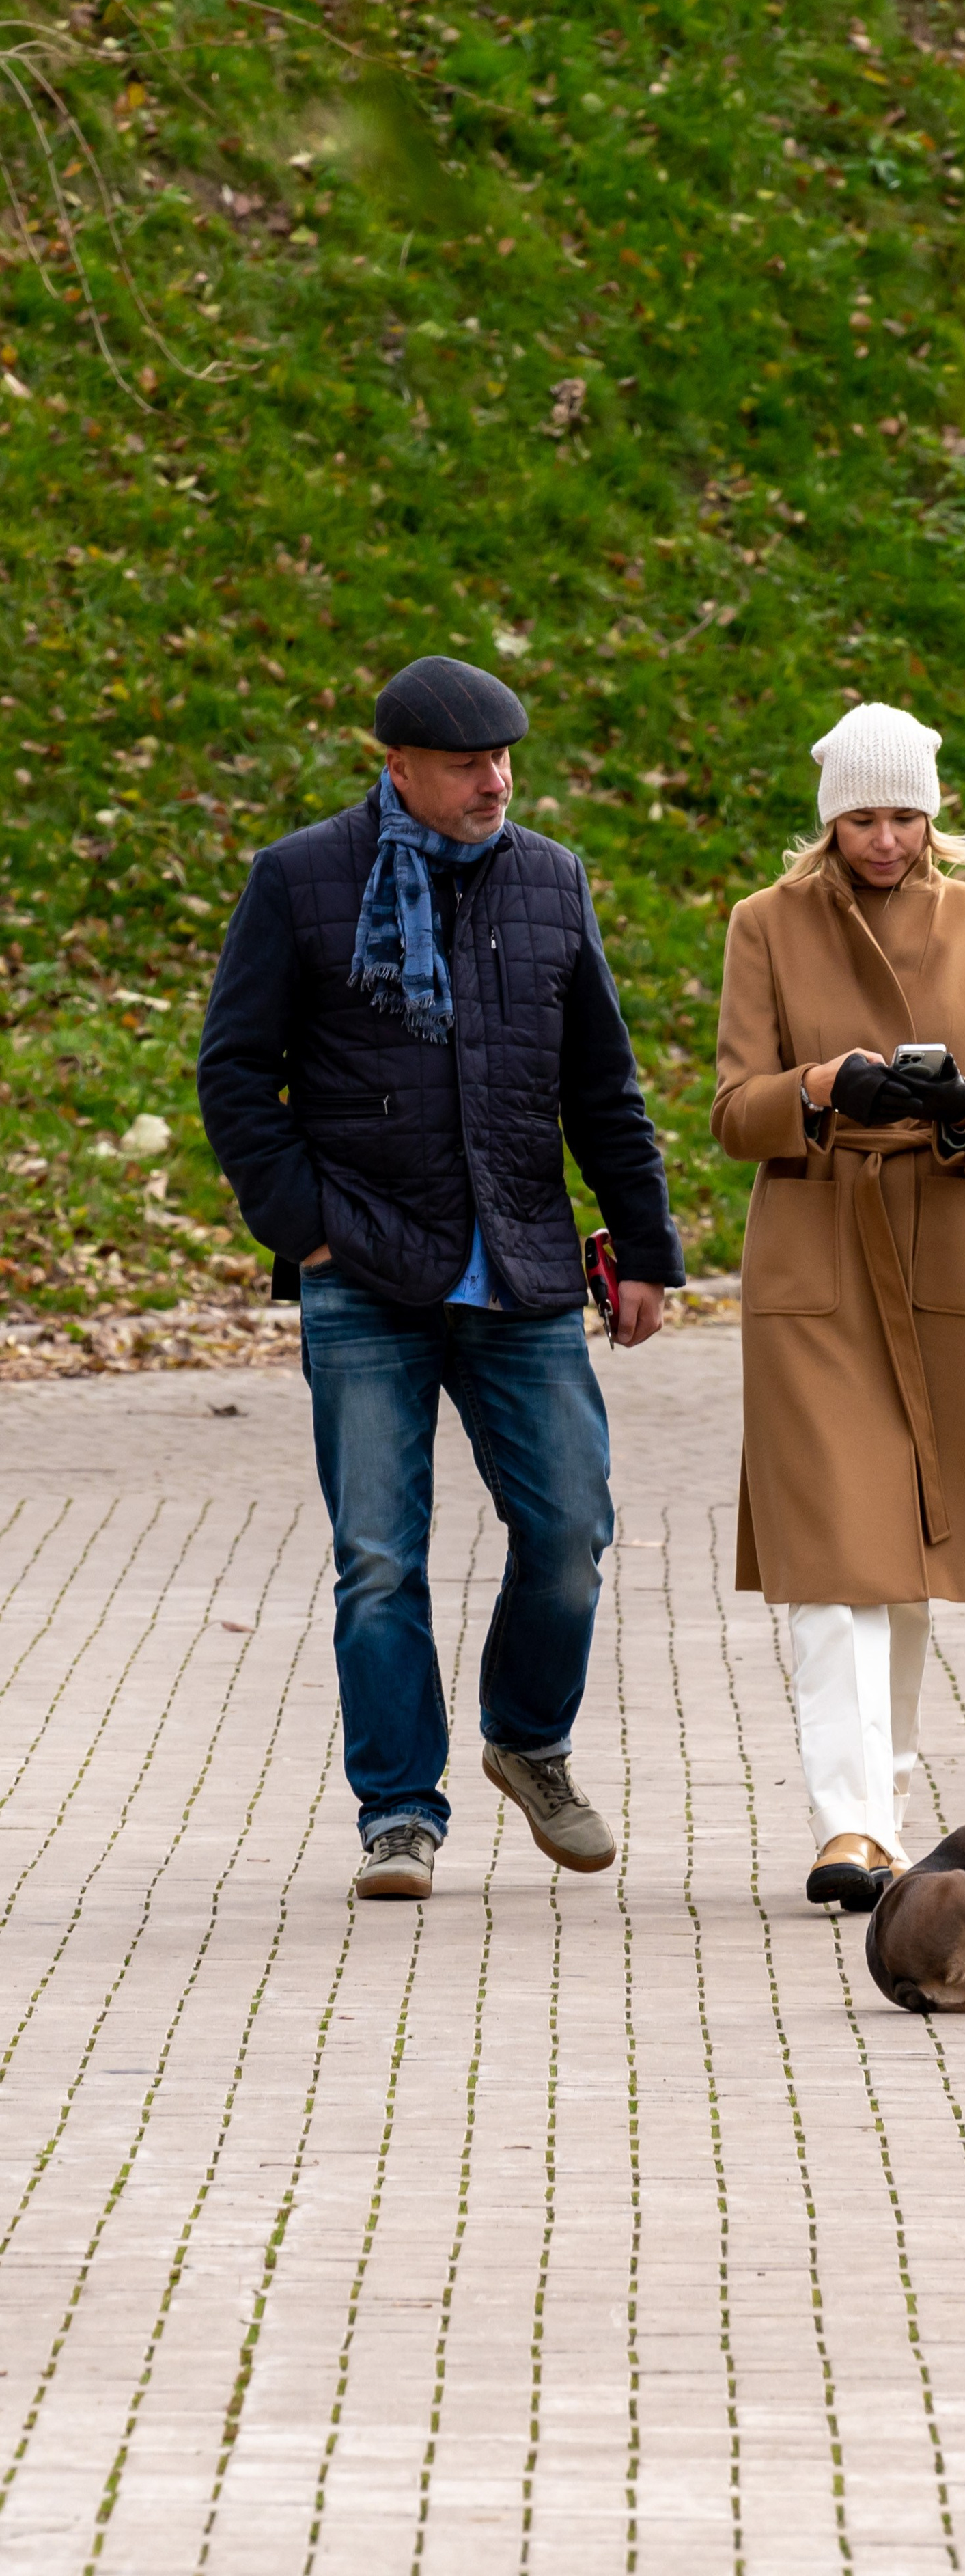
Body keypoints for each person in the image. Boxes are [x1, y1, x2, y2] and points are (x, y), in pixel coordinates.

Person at [198, 657, 683, 1902]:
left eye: (507, 758)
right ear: (399, 767)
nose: (496, 781)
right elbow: (236, 1074)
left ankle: (528, 1740)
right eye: (469, 764)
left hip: (519, 1265)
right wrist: (304, 1231)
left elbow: (602, 1090)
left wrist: (642, 1252)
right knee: (379, 1559)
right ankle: (399, 1813)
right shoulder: (300, 879)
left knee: (571, 1529)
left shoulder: (550, 879)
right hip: (363, 1267)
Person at [711, 700, 965, 1911]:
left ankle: (885, 1811)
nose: (888, 839)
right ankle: (849, 1825)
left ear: (935, 813)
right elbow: (732, 1110)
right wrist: (820, 1085)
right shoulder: (765, 925)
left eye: (907, 814)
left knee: (905, 1556)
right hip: (814, 1253)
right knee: (830, 1556)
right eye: (864, 817)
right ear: (828, 818)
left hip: (943, 1253)